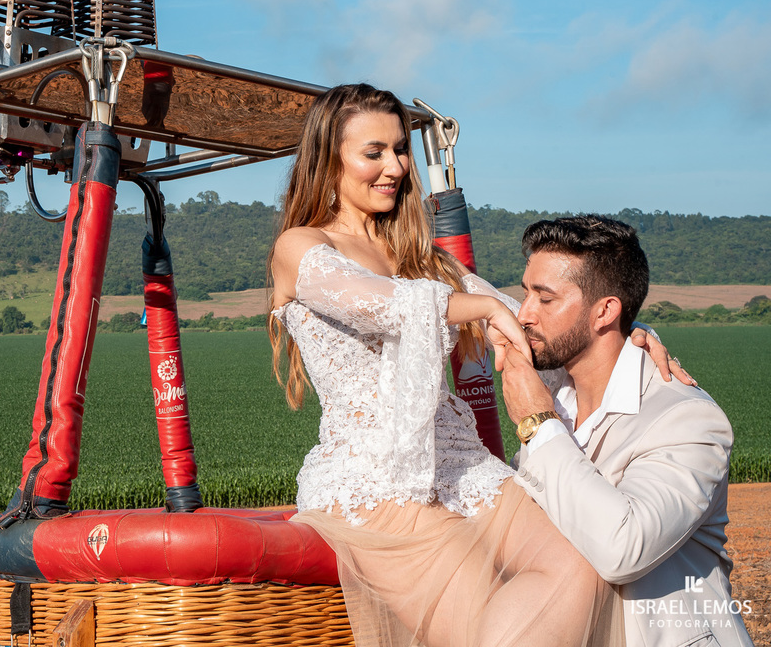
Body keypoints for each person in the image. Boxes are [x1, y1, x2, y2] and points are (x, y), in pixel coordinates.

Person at [268, 84, 679, 647]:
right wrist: (480, 308)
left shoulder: (424, 258)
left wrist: (622, 332)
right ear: (328, 159)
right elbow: (381, 304)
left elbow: (524, 322)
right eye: (374, 152)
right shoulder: (301, 246)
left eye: (400, 149)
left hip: (462, 464)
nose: (396, 167)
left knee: (582, 569)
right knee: (473, 615)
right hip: (377, 476)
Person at [501, 216, 753, 647]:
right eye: (525, 293)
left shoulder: (689, 419)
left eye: (545, 298)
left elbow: (623, 550)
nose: (524, 314)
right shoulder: (557, 394)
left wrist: (537, 425)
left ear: (605, 311)